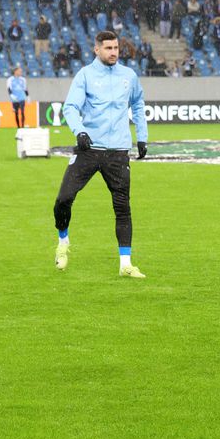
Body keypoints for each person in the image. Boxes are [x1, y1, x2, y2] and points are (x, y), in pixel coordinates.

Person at [52, 31, 148, 277]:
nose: (114, 52)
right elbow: (70, 107)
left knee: (122, 206)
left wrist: (142, 136)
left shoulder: (129, 75)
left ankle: (125, 264)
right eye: (108, 48)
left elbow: (138, 103)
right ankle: (63, 241)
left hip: (118, 151)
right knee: (63, 199)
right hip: (89, 149)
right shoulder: (85, 75)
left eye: (116, 48)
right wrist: (80, 131)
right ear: (97, 49)